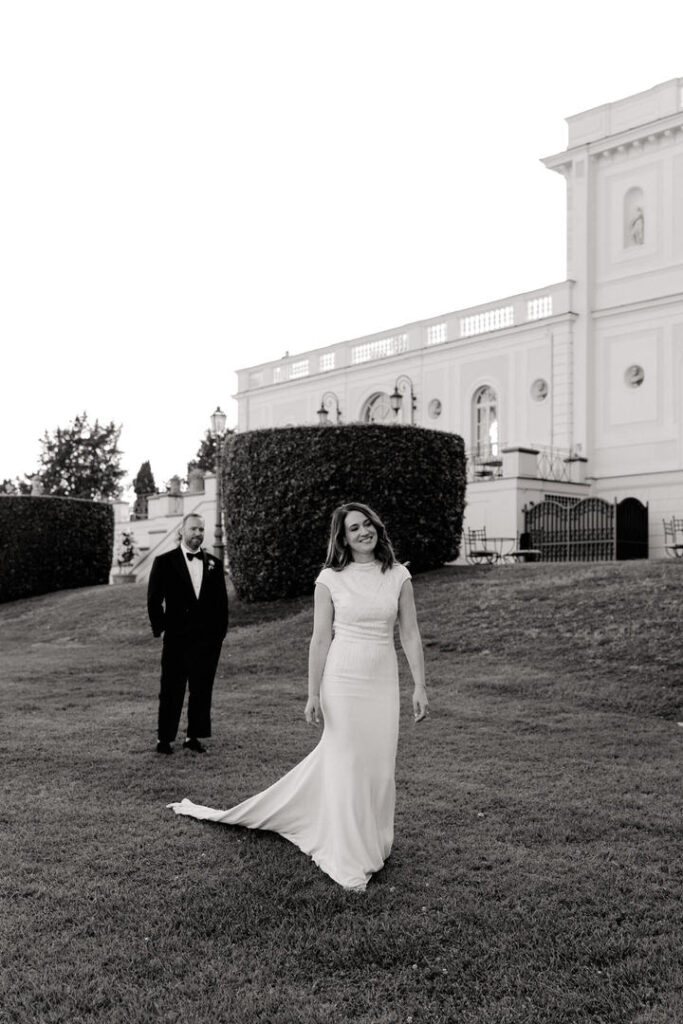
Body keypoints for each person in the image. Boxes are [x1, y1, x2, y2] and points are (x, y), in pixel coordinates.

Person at [167, 501, 429, 891]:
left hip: (382, 680)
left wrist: (419, 685)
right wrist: (313, 694)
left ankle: (374, 840)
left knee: (378, 765)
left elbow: (409, 633)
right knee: (348, 762)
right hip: (342, 680)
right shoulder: (329, 579)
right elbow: (320, 639)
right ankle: (350, 853)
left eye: (367, 524)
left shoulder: (398, 575)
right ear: (343, 539)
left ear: (377, 526)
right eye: (354, 528)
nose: (363, 531)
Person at [147, 513, 228, 755]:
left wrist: (218, 635)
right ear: (182, 531)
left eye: (201, 529)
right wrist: (161, 628)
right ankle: (165, 739)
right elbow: (154, 600)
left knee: (201, 688)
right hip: (176, 637)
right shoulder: (164, 562)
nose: (198, 533)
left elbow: (221, 603)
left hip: (207, 640)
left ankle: (194, 736)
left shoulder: (214, 564)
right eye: (193, 529)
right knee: (171, 688)